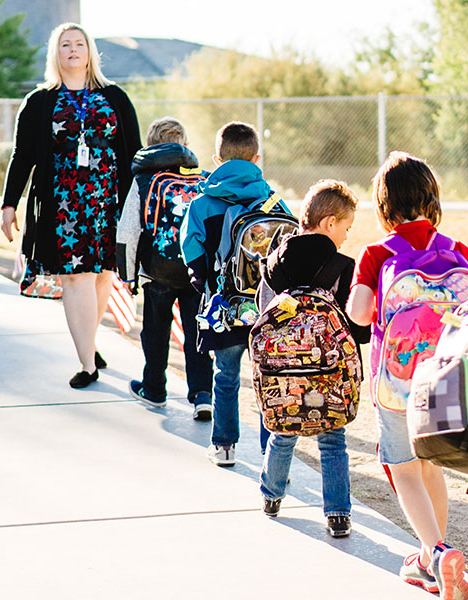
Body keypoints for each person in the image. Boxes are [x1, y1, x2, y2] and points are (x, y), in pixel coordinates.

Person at [346, 151, 468, 600]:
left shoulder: (377, 254)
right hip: (448, 383)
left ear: (384, 206)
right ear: (432, 199)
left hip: (397, 385)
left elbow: (359, 314)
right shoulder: (456, 249)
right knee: (431, 466)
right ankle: (431, 557)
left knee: (404, 470)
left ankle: (435, 552)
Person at [0, 22, 141, 389]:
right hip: (63, 206)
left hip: (108, 203)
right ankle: (87, 364)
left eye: (80, 43)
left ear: (90, 51)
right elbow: (22, 156)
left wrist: (138, 203)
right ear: (56, 53)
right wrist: (9, 205)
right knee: (77, 278)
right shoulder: (39, 102)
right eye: (65, 44)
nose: (73, 49)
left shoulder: (114, 97)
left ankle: (88, 344)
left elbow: (134, 152)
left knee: (102, 276)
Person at [258, 178, 369, 538]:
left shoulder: (274, 261)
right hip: (329, 374)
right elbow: (357, 328)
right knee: (333, 440)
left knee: (282, 430)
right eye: (346, 228)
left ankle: (272, 496)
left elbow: (264, 313)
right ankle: (338, 514)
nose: (347, 237)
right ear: (330, 223)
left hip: (282, 373)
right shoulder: (342, 265)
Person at [180, 121, 278, 466]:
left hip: (224, 305)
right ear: (256, 159)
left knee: (225, 376)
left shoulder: (202, 204)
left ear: (217, 159)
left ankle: (224, 446)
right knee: (267, 378)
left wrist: (206, 286)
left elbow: (192, 254)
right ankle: (272, 454)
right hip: (265, 306)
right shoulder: (271, 200)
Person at [116, 116, 214, 419]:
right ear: (184, 145)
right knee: (198, 332)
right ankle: (202, 394)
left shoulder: (144, 180)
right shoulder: (202, 178)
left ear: (150, 147)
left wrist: (127, 275)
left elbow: (128, 230)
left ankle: (155, 389)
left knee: (155, 332)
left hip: (157, 270)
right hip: (197, 269)